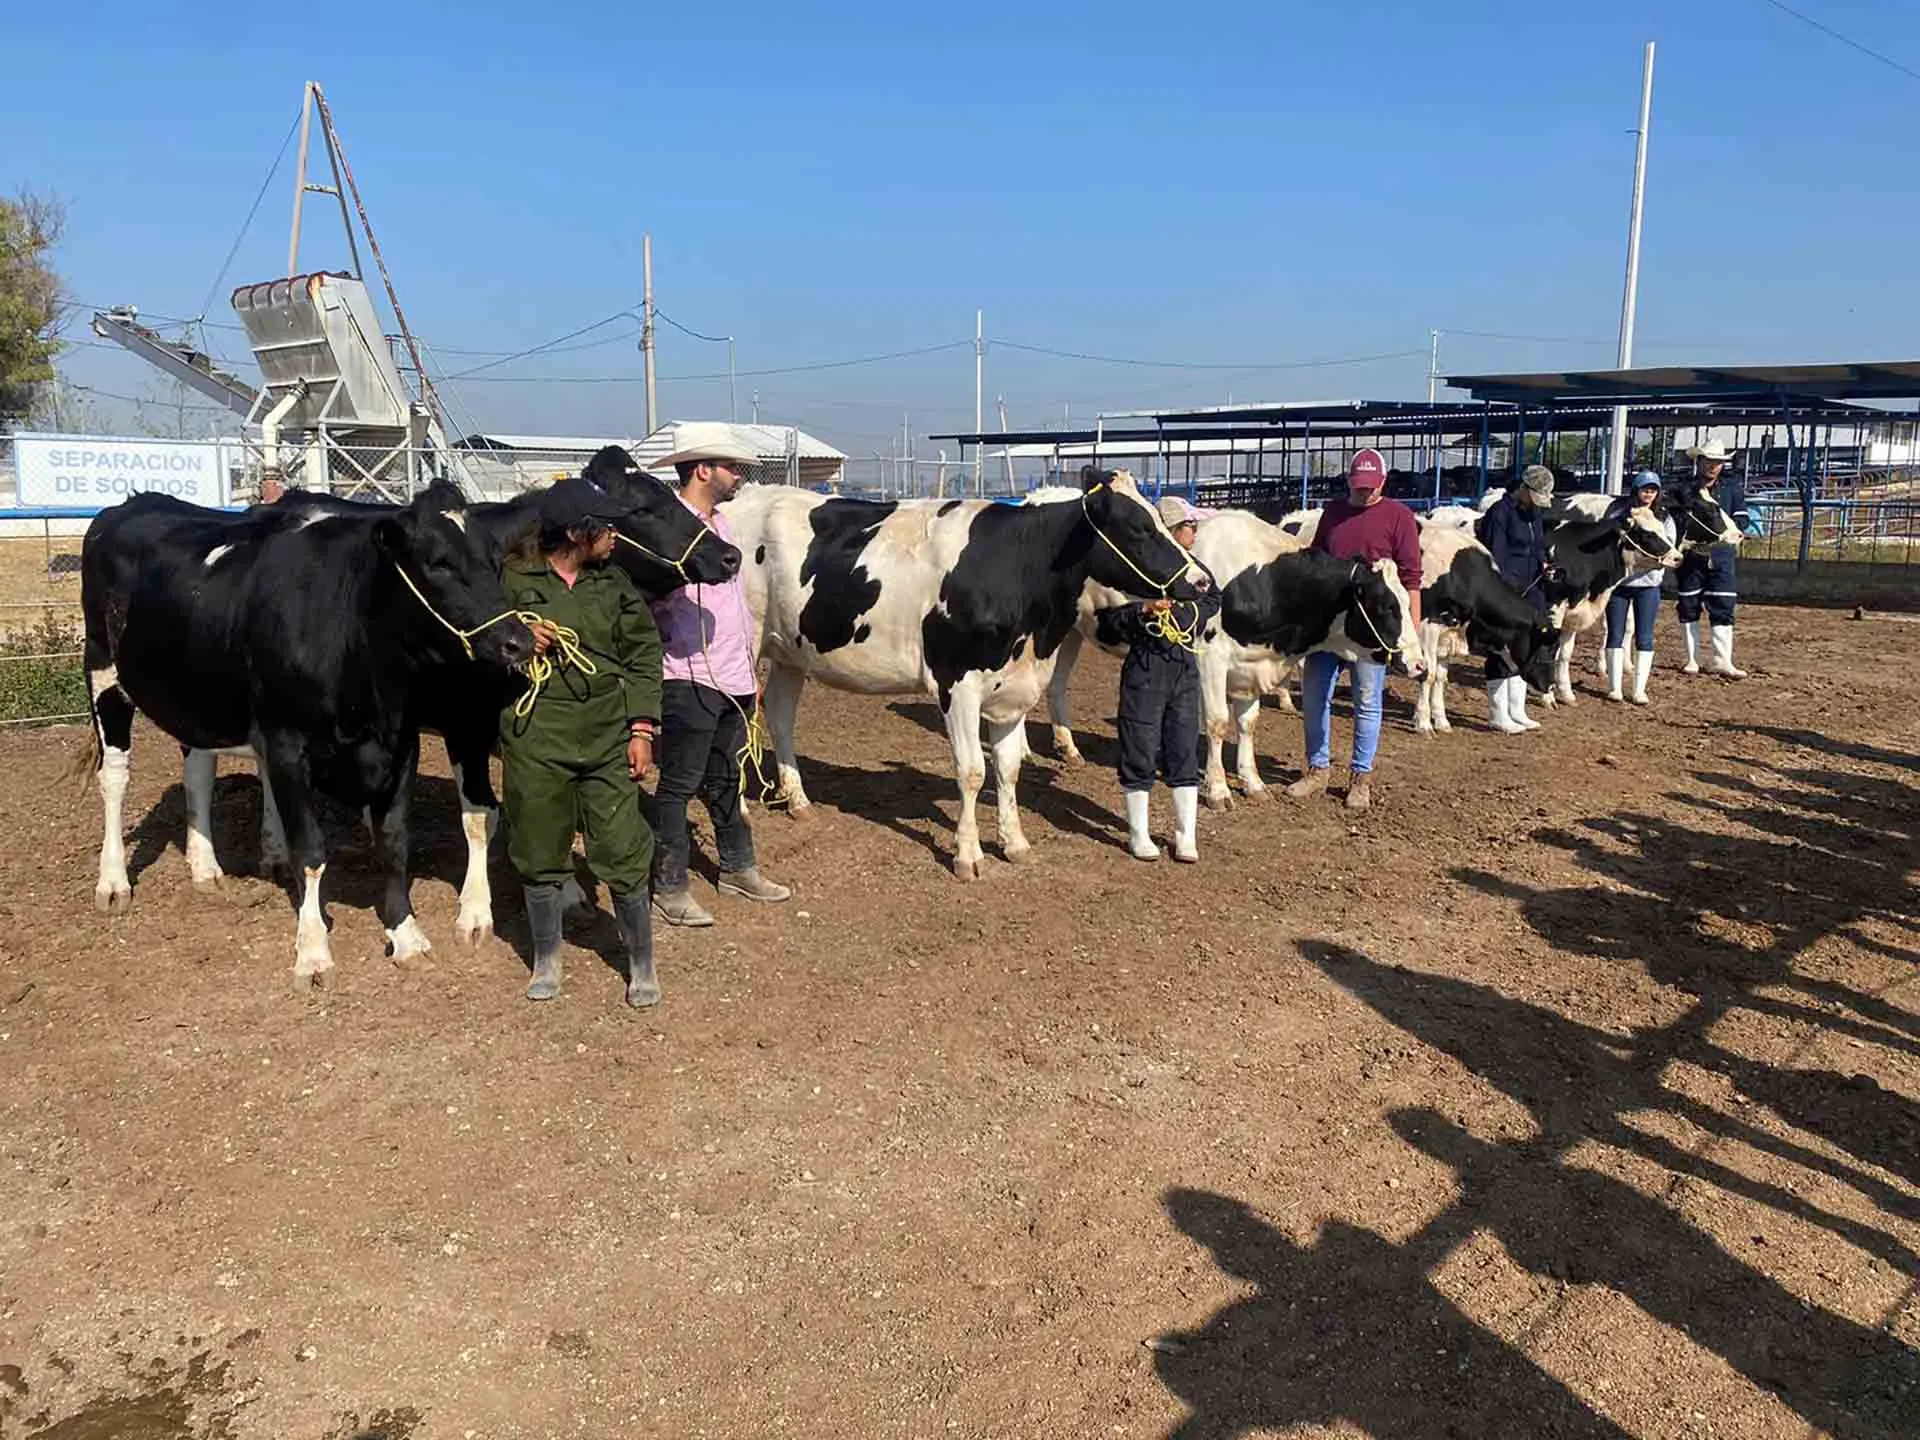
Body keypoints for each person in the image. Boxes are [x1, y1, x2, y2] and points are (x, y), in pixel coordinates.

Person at [499, 476, 664, 1006]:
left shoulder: (613, 584)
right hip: (536, 736)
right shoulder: (512, 584)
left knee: (621, 848)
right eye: (606, 526)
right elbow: (475, 648)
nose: (615, 534)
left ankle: (641, 964)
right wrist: (518, 639)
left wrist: (641, 730)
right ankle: (547, 960)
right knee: (539, 847)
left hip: (606, 736)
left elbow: (642, 657)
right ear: (576, 532)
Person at [647, 424, 791, 926]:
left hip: (733, 676)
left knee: (728, 775)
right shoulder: (666, 532)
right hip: (688, 673)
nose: (738, 476)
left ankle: (737, 866)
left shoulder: (723, 526)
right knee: (679, 782)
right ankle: (669, 885)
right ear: (702, 469)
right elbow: (649, 597)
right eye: (732, 467)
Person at [1286, 448, 1422, 812]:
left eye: (1371, 486)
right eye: (1358, 486)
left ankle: (1360, 777)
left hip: (1371, 630)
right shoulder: (1332, 514)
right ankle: (1318, 768)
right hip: (1329, 625)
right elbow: (1315, 563)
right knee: (1314, 696)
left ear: (1383, 481)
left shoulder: (1399, 517)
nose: (1364, 493)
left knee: (1367, 699)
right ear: (1349, 481)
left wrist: (1411, 632)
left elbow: (1411, 579)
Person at [1096, 495, 1220, 861]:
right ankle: (1139, 833)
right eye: (1188, 526)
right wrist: (1144, 612)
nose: (1194, 532)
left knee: (1184, 746)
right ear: (1169, 531)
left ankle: (1186, 836)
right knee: (1140, 745)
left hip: (1184, 668)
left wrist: (1187, 618)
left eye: (1195, 526)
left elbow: (1214, 598)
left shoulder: (1197, 570)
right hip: (1145, 667)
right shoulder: (1134, 573)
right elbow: (1106, 621)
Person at [1474, 465, 1555, 734]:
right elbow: (1494, 556)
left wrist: (1545, 562)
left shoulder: (1535, 512)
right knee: (1501, 647)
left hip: (1533, 587)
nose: (1538, 503)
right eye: (1536, 496)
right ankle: (1498, 714)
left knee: (1527, 646)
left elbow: (1538, 545)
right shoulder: (1500, 513)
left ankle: (1517, 709)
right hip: (1508, 592)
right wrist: (1506, 592)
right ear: (1523, 489)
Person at [1673, 438, 1750, 679]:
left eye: (1718, 462)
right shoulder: (1683, 490)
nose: (1713, 466)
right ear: (1699, 461)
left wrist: (1725, 527)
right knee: (1689, 604)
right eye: (1709, 461)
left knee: (1723, 604)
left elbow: (1743, 519)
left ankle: (1722, 659)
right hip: (1692, 554)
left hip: (1721, 554)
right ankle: (1692, 659)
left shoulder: (1732, 489)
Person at [1602, 471, 1677, 705]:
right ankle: (1614, 687)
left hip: (1649, 584)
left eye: (1653, 490)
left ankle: (1639, 689)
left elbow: (1668, 549)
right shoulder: (1619, 514)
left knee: (1644, 636)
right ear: (1635, 490)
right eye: (1645, 489)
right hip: (1621, 584)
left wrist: (1650, 562)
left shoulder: (1664, 518)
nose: (1649, 494)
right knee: (1615, 633)